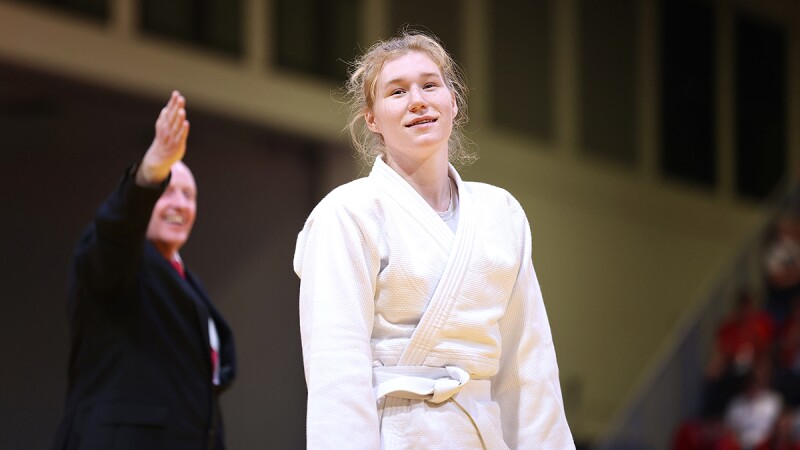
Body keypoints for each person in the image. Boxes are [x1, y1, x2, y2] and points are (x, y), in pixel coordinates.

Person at [293, 31, 574, 449]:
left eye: (430, 85)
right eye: (397, 91)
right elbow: (337, 373)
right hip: (397, 435)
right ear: (372, 118)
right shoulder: (348, 213)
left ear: (453, 101)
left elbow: (528, 367)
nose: (418, 100)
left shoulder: (502, 214)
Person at [52, 91, 236, 450]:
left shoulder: (188, 283)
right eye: (167, 190)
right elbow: (115, 233)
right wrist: (151, 171)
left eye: (189, 195)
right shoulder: (118, 258)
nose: (178, 204)